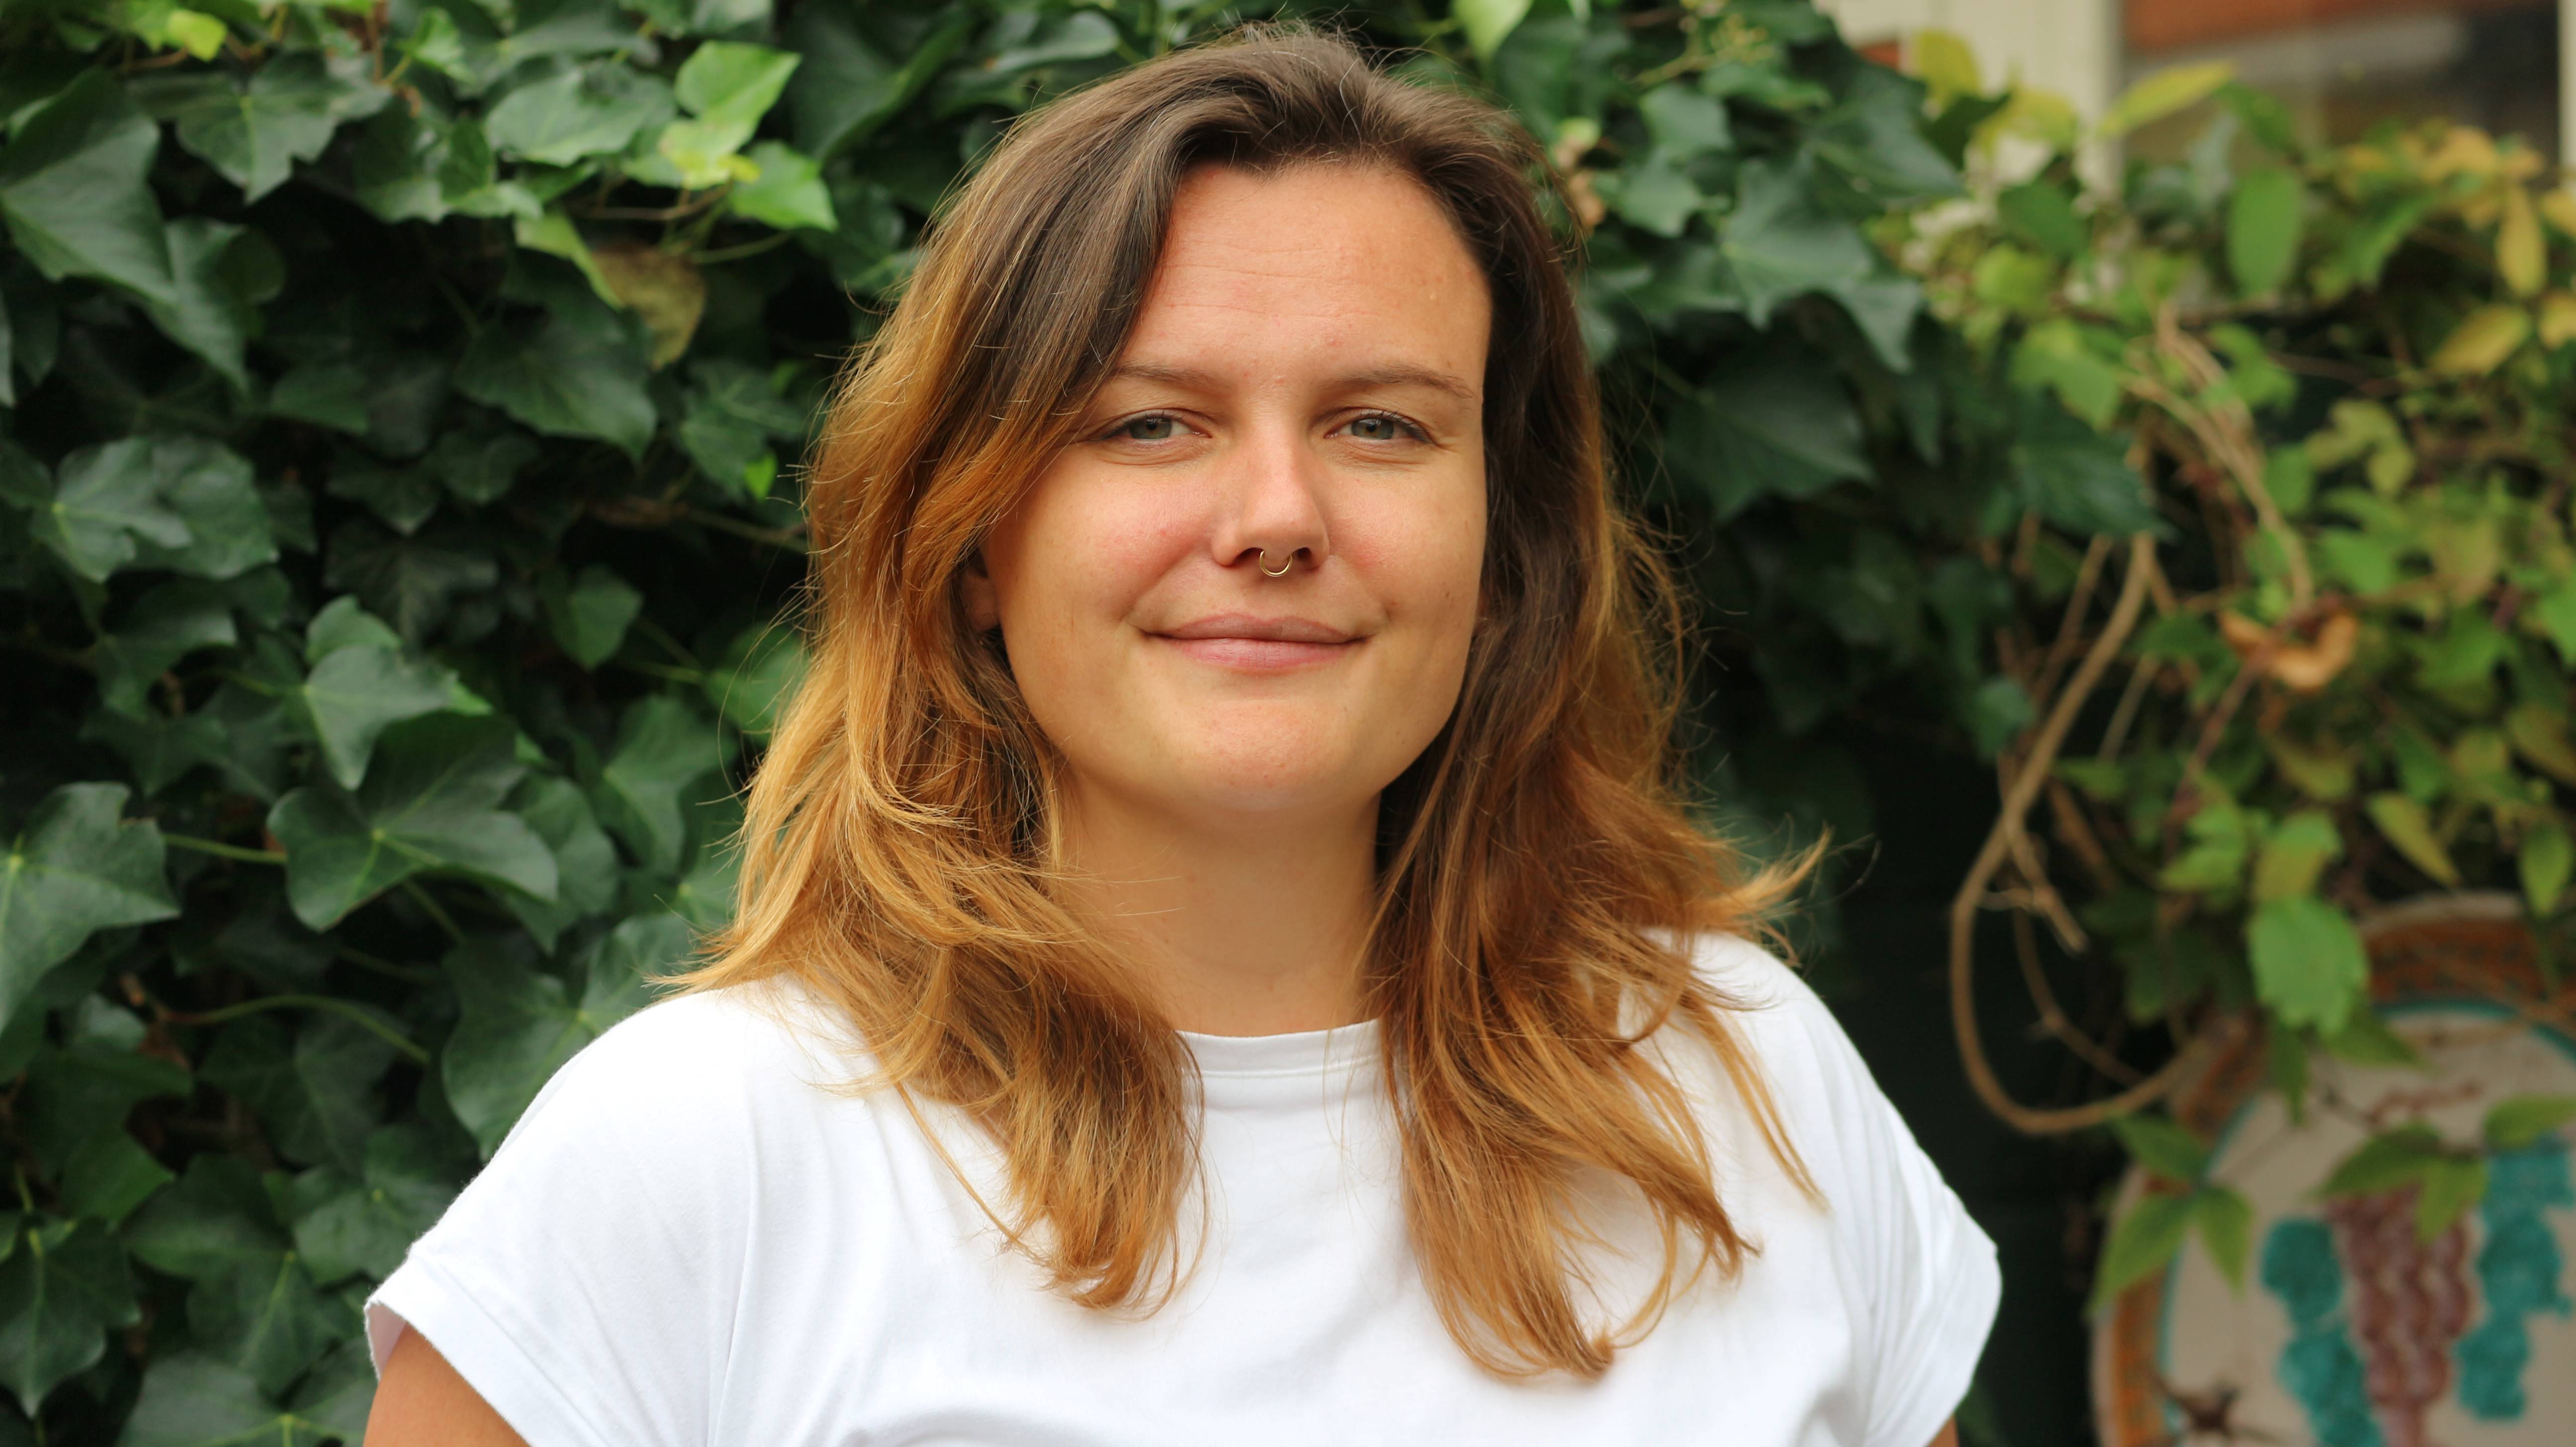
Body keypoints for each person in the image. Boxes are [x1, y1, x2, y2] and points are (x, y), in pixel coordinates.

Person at [363, 27, 1998, 1446]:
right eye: (1152, 423)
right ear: (975, 538)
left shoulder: (1743, 1083)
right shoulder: (700, 1154)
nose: (1277, 516)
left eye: (1380, 424)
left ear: (1505, 553)